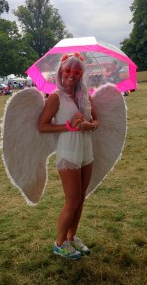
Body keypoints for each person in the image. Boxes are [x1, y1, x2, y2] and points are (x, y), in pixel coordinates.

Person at [38, 52, 99, 260]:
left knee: (81, 199)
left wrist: (88, 124)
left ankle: (72, 237)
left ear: (81, 74)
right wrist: (69, 126)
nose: (72, 75)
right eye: (68, 70)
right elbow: (42, 126)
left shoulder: (85, 96)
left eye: (77, 71)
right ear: (61, 72)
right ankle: (59, 243)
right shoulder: (56, 97)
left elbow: (96, 121)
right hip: (68, 152)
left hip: (86, 150)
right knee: (72, 201)